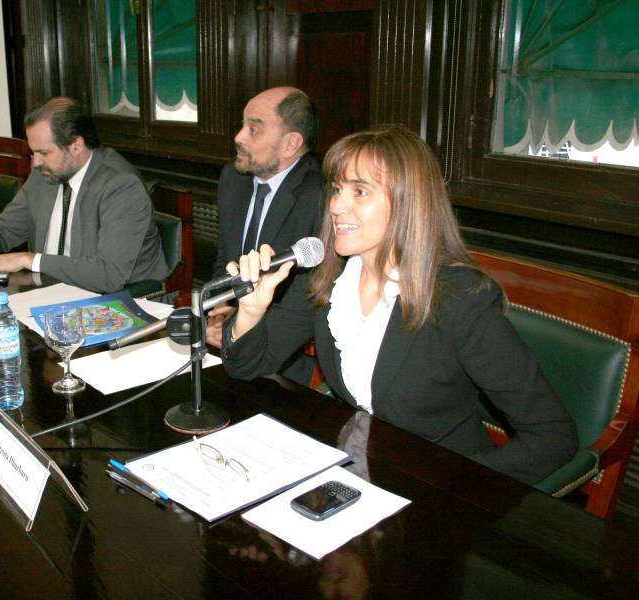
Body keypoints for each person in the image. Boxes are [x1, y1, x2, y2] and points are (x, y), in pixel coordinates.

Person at [220, 124, 577, 485]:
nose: (336, 206)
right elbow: (246, 369)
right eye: (338, 189)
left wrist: (461, 489)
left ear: (408, 202)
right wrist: (251, 310)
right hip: (364, 464)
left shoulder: (460, 298)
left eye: (360, 192)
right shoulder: (327, 279)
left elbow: (553, 435)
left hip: (439, 478)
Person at [0, 97, 168, 294]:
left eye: (43, 152)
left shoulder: (120, 186)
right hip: (49, 295)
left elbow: (108, 275)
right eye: (33, 152)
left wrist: (29, 259)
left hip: (119, 302)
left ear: (76, 145)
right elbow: (5, 229)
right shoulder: (47, 174)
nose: (36, 162)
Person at [207, 87, 324, 384]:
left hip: (285, 356)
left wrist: (238, 327)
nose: (238, 137)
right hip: (230, 333)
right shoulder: (233, 179)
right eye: (243, 125)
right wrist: (223, 311)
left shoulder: (320, 194)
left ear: (290, 144)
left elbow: (307, 295)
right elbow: (226, 257)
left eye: (253, 129)